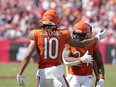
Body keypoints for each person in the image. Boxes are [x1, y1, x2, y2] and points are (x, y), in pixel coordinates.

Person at [16, 10, 106, 87]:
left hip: (42, 72)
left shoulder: (35, 33)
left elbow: (27, 56)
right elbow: (80, 45)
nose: (77, 36)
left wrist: (19, 74)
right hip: (57, 71)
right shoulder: (63, 34)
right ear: (57, 22)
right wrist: (97, 38)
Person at [62, 21, 105, 87]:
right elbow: (66, 60)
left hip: (87, 76)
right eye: (75, 33)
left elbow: (98, 62)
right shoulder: (70, 41)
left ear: (87, 35)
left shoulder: (93, 43)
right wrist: (81, 60)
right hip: (74, 75)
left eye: (80, 35)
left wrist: (100, 78)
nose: (77, 36)